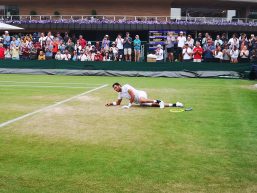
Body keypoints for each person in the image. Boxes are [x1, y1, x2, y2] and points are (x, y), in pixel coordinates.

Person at [105, 83, 183, 109]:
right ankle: (175, 104)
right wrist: (110, 104)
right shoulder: (120, 94)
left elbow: (132, 95)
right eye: (114, 89)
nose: (115, 89)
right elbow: (118, 103)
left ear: (119, 85)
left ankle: (158, 100)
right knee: (155, 106)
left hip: (140, 94)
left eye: (116, 87)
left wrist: (129, 105)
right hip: (139, 101)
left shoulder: (125, 86)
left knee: (142, 100)